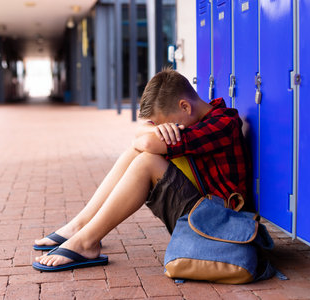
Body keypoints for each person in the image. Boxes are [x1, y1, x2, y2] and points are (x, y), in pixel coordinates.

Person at [32, 68, 250, 271]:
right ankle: (80, 226)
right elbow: (140, 137)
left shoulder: (224, 123)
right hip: (200, 207)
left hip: (218, 221)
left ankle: (86, 242)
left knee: (147, 161)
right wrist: (151, 129)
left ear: (185, 106)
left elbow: (146, 143)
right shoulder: (193, 117)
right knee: (134, 153)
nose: (165, 130)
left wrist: (148, 135)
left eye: (167, 125)